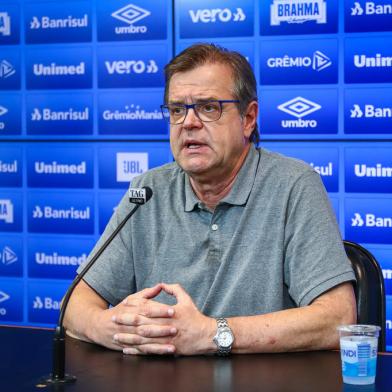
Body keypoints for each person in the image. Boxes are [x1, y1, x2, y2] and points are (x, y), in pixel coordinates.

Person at [64, 43, 356, 356]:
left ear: (248, 118)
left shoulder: (293, 185)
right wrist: (113, 329)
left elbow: (338, 318)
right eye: (177, 110)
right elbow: (75, 306)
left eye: (208, 108)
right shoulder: (147, 190)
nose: (188, 122)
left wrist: (212, 334)